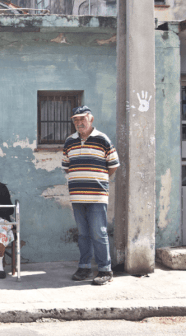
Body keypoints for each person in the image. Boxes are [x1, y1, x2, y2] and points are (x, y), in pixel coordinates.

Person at [62, 106, 119, 286]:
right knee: (83, 234)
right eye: (75, 120)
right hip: (77, 197)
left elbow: (113, 165)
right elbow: (66, 166)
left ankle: (105, 270)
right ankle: (85, 267)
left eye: (82, 119)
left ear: (90, 119)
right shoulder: (69, 141)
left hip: (97, 196)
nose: (79, 123)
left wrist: (99, 181)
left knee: (99, 232)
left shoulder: (103, 139)